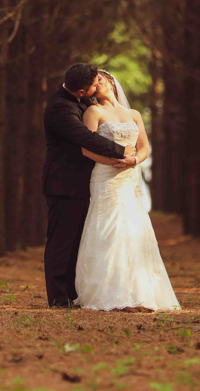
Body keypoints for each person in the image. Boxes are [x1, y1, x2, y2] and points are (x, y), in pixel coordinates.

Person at [74, 70, 179, 312]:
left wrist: (134, 161)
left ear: (110, 81)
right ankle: (110, 293)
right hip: (105, 175)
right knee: (108, 228)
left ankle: (139, 294)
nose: (96, 83)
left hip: (129, 177)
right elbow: (86, 149)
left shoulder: (133, 114)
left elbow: (144, 147)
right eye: (92, 83)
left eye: (98, 78)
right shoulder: (93, 112)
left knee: (133, 228)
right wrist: (112, 160)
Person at [42, 64, 136, 308]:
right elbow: (85, 138)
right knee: (62, 242)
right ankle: (58, 298)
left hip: (86, 182)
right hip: (64, 183)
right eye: (96, 83)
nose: (100, 85)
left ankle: (74, 294)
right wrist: (121, 151)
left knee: (78, 242)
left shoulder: (84, 101)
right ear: (82, 91)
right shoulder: (60, 107)